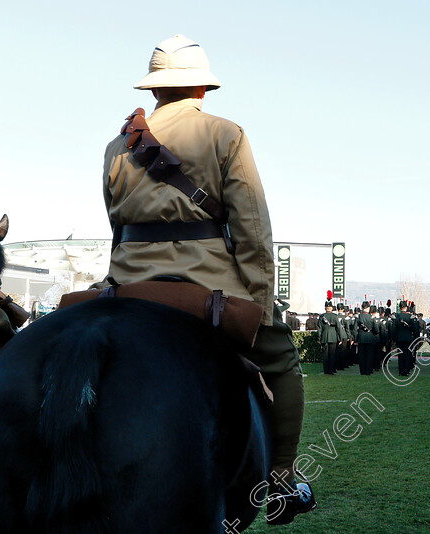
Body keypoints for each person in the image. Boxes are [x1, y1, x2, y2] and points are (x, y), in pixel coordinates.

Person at [101, 35, 314, 524]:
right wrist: (258, 306)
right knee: (282, 360)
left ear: (155, 90)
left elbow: (115, 224)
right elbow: (254, 231)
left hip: (127, 285)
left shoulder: (119, 144)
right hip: (208, 287)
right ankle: (283, 480)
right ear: (201, 87)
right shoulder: (226, 134)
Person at [317, 298, 346, 374]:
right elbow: (339, 328)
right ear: (332, 308)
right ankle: (332, 369)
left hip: (324, 336)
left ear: (325, 308)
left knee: (325, 355)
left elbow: (319, 328)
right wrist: (340, 338)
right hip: (333, 337)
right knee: (332, 354)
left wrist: (319, 338)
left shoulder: (321, 316)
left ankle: (326, 370)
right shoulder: (334, 316)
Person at [391, 301, 419, 376]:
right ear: (406, 308)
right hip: (408, 338)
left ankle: (401, 371)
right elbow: (415, 329)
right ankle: (406, 371)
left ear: (400, 308)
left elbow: (393, 329)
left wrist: (393, 339)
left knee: (400, 355)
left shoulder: (396, 317)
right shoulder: (410, 317)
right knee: (407, 355)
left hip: (399, 338)